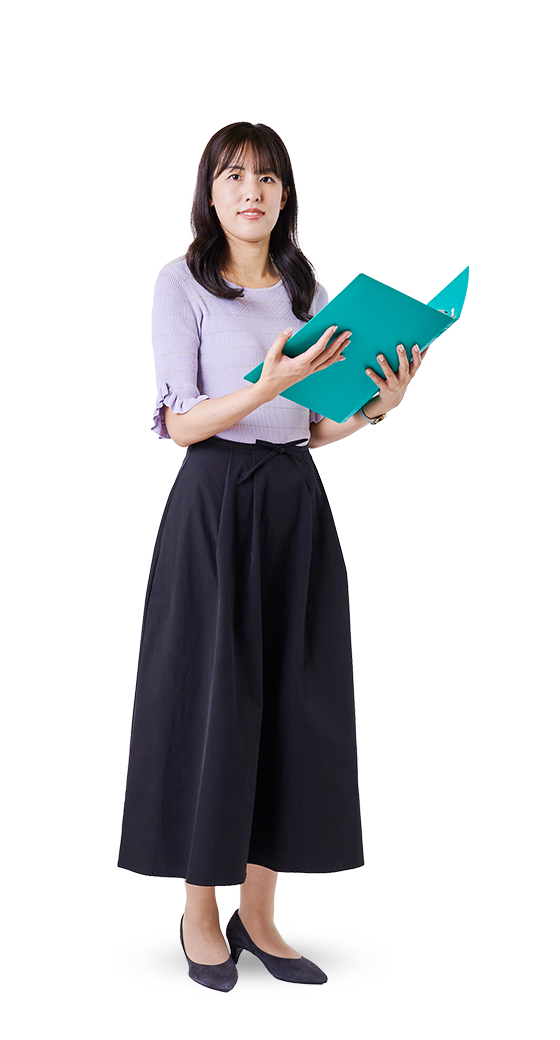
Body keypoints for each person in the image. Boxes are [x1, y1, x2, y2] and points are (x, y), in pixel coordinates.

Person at [117, 120, 428, 992]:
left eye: (266, 176)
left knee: (293, 702)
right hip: (215, 502)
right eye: (233, 175)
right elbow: (180, 423)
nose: (250, 190)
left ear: (286, 194)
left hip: (294, 499)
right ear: (209, 193)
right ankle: (198, 912)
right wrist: (266, 383)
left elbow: (307, 426)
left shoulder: (305, 284)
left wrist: (373, 411)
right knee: (213, 698)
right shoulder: (181, 282)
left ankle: (259, 915)